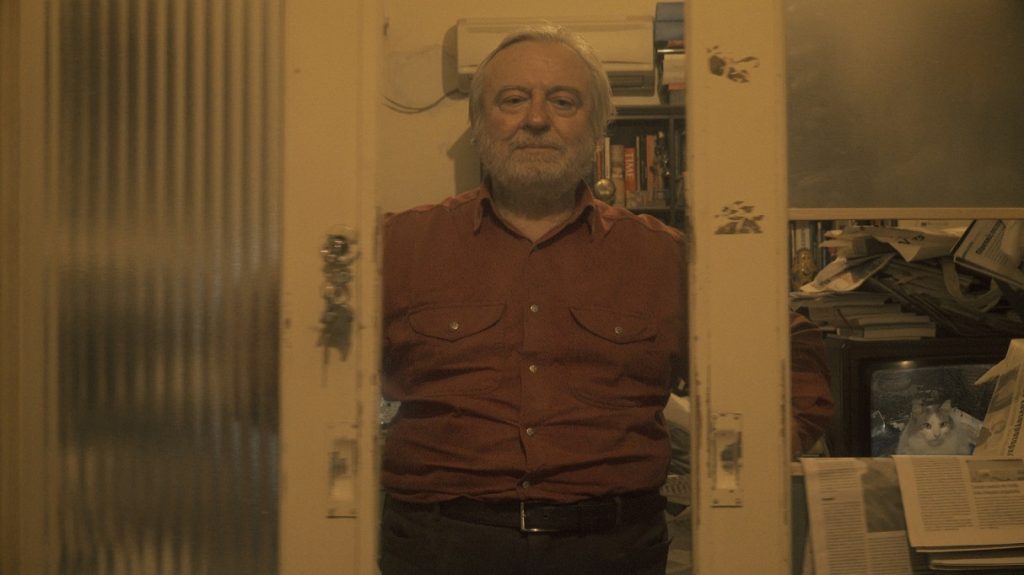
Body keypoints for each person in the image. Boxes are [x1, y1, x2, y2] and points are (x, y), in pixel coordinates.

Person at [379, 25, 832, 575]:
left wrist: (756, 460)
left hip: (612, 550)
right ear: (479, 122)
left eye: (563, 101)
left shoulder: (664, 258)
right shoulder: (400, 246)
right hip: (437, 548)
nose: (537, 119)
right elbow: (313, 370)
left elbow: (789, 351)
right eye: (513, 99)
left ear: (597, 127)